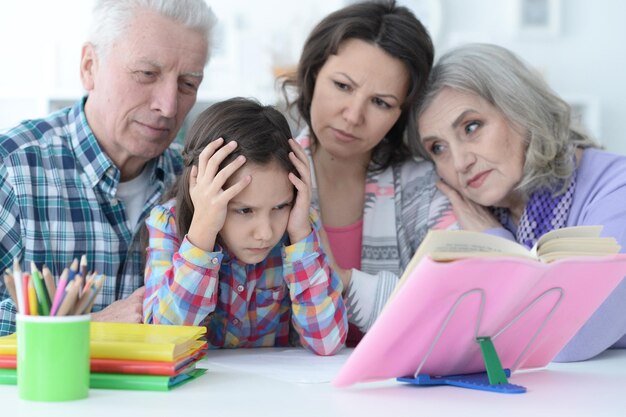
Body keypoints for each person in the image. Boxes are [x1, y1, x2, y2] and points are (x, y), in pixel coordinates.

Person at [0, 0, 215, 335]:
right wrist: (87, 328)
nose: (169, 105)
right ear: (89, 67)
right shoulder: (13, 167)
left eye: (188, 83)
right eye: (147, 74)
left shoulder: (194, 181)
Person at [415, 42, 626, 362]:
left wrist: (494, 243)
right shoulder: (477, 217)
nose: (459, 162)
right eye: (438, 148)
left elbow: (567, 339)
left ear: (521, 109)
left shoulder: (616, 187)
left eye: (471, 127)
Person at [281, 0, 455, 342]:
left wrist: (343, 279)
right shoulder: (267, 174)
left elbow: (450, 306)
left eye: (381, 102)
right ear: (314, 73)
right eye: (343, 86)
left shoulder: (424, 186)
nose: (353, 115)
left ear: (401, 114)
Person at [143, 98, 347, 356]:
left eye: (280, 207)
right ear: (202, 190)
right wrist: (202, 233)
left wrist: (301, 237)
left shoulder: (299, 228)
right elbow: (163, 343)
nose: (265, 233)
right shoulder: (168, 223)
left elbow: (328, 342)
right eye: (244, 210)